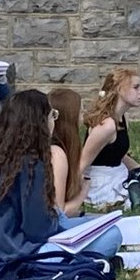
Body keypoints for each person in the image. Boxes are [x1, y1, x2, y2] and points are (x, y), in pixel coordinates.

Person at [0, 90, 140, 273]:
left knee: (95, 225)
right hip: (12, 256)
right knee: (110, 237)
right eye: (52, 115)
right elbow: (38, 230)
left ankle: (126, 236)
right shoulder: (32, 163)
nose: (55, 120)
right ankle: (101, 257)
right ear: (40, 122)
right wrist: (64, 223)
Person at [80, 68, 140, 206]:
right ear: (120, 90)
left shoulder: (122, 117)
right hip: (102, 182)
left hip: (118, 174)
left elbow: (117, 154)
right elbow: (82, 162)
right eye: (136, 87)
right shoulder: (106, 126)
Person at [49, 88, 88, 216]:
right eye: (81, 112)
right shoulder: (56, 154)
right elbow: (59, 213)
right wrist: (84, 190)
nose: (83, 118)